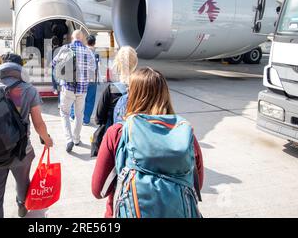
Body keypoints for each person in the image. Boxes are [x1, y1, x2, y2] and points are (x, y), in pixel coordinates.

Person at [92, 67, 204, 218]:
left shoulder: (117, 133)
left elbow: (98, 190)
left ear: (132, 95)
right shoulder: (185, 134)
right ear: (165, 95)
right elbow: (197, 185)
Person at [0, 53, 53, 218]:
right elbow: (38, 123)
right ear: (19, 68)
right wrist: (47, 139)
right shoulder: (29, 89)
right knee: (23, 184)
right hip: (21, 150)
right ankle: (22, 206)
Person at [52, 30, 95, 153]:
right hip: (82, 89)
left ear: (72, 38)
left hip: (67, 87)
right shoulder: (88, 51)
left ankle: (68, 139)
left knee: (64, 113)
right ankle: (76, 139)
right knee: (79, 114)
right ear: (82, 39)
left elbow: (54, 63)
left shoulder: (66, 48)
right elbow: (93, 69)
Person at [95, 46, 138, 131]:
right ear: (135, 63)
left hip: (114, 136)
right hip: (134, 137)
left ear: (118, 64)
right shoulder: (141, 88)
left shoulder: (111, 89)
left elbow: (98, 118)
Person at [70, 35, 100, 125]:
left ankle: (73, 116)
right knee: (90, 100)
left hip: (81, 78)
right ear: (94, 43)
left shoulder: (82, 50)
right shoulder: (96, 53)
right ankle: (86, 120)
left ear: (86, 42)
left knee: (76, 97)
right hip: (92, 79)